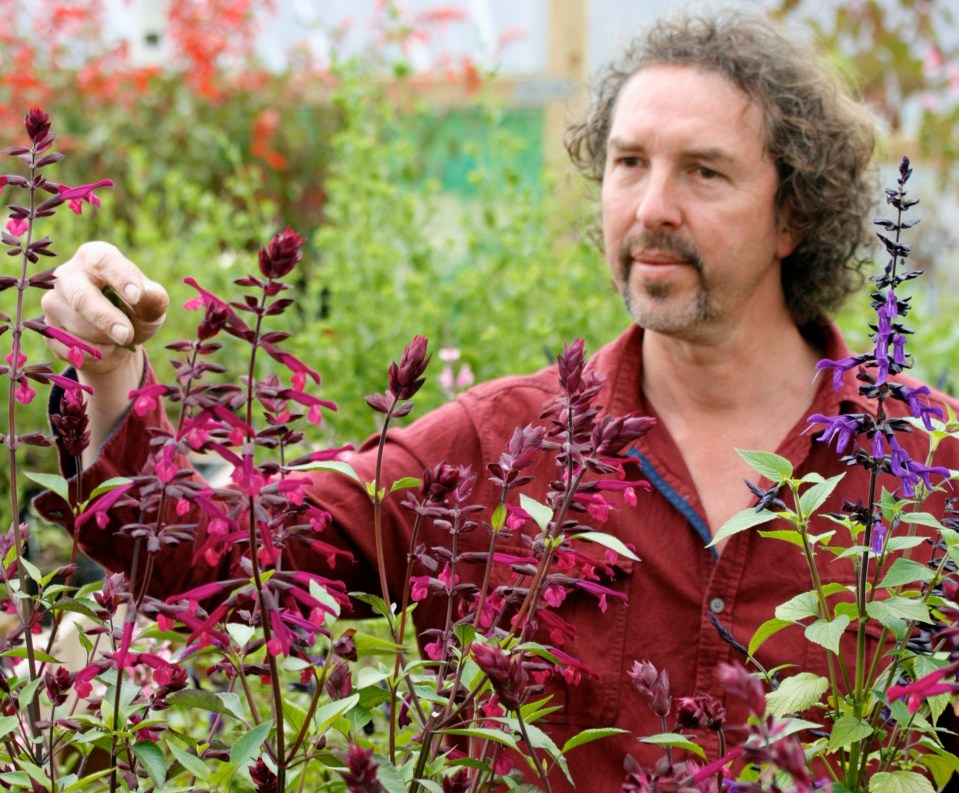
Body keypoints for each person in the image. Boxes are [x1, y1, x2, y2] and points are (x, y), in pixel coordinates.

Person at [35, 9, 959, 791]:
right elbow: (229, 545)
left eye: (703, 171)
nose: (650, 208)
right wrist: (111, 378)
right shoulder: (500, 446)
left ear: (793, 213)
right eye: (628, 162)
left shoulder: (927, 465)